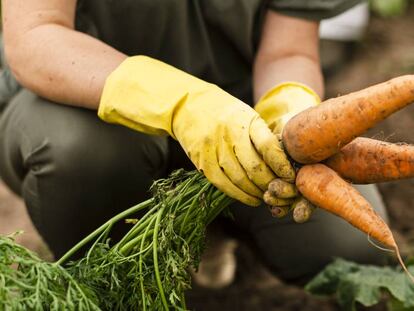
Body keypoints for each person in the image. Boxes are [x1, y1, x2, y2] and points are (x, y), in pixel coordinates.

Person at [0, 0, 387, 285]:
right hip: (86, 109)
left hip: (241, 114)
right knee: (78, 152)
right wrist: (178, 101)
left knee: (357, 249)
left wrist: (287, 117)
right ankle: (113, 284)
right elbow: (37, 35)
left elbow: (289, 50)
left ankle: (210, 229)